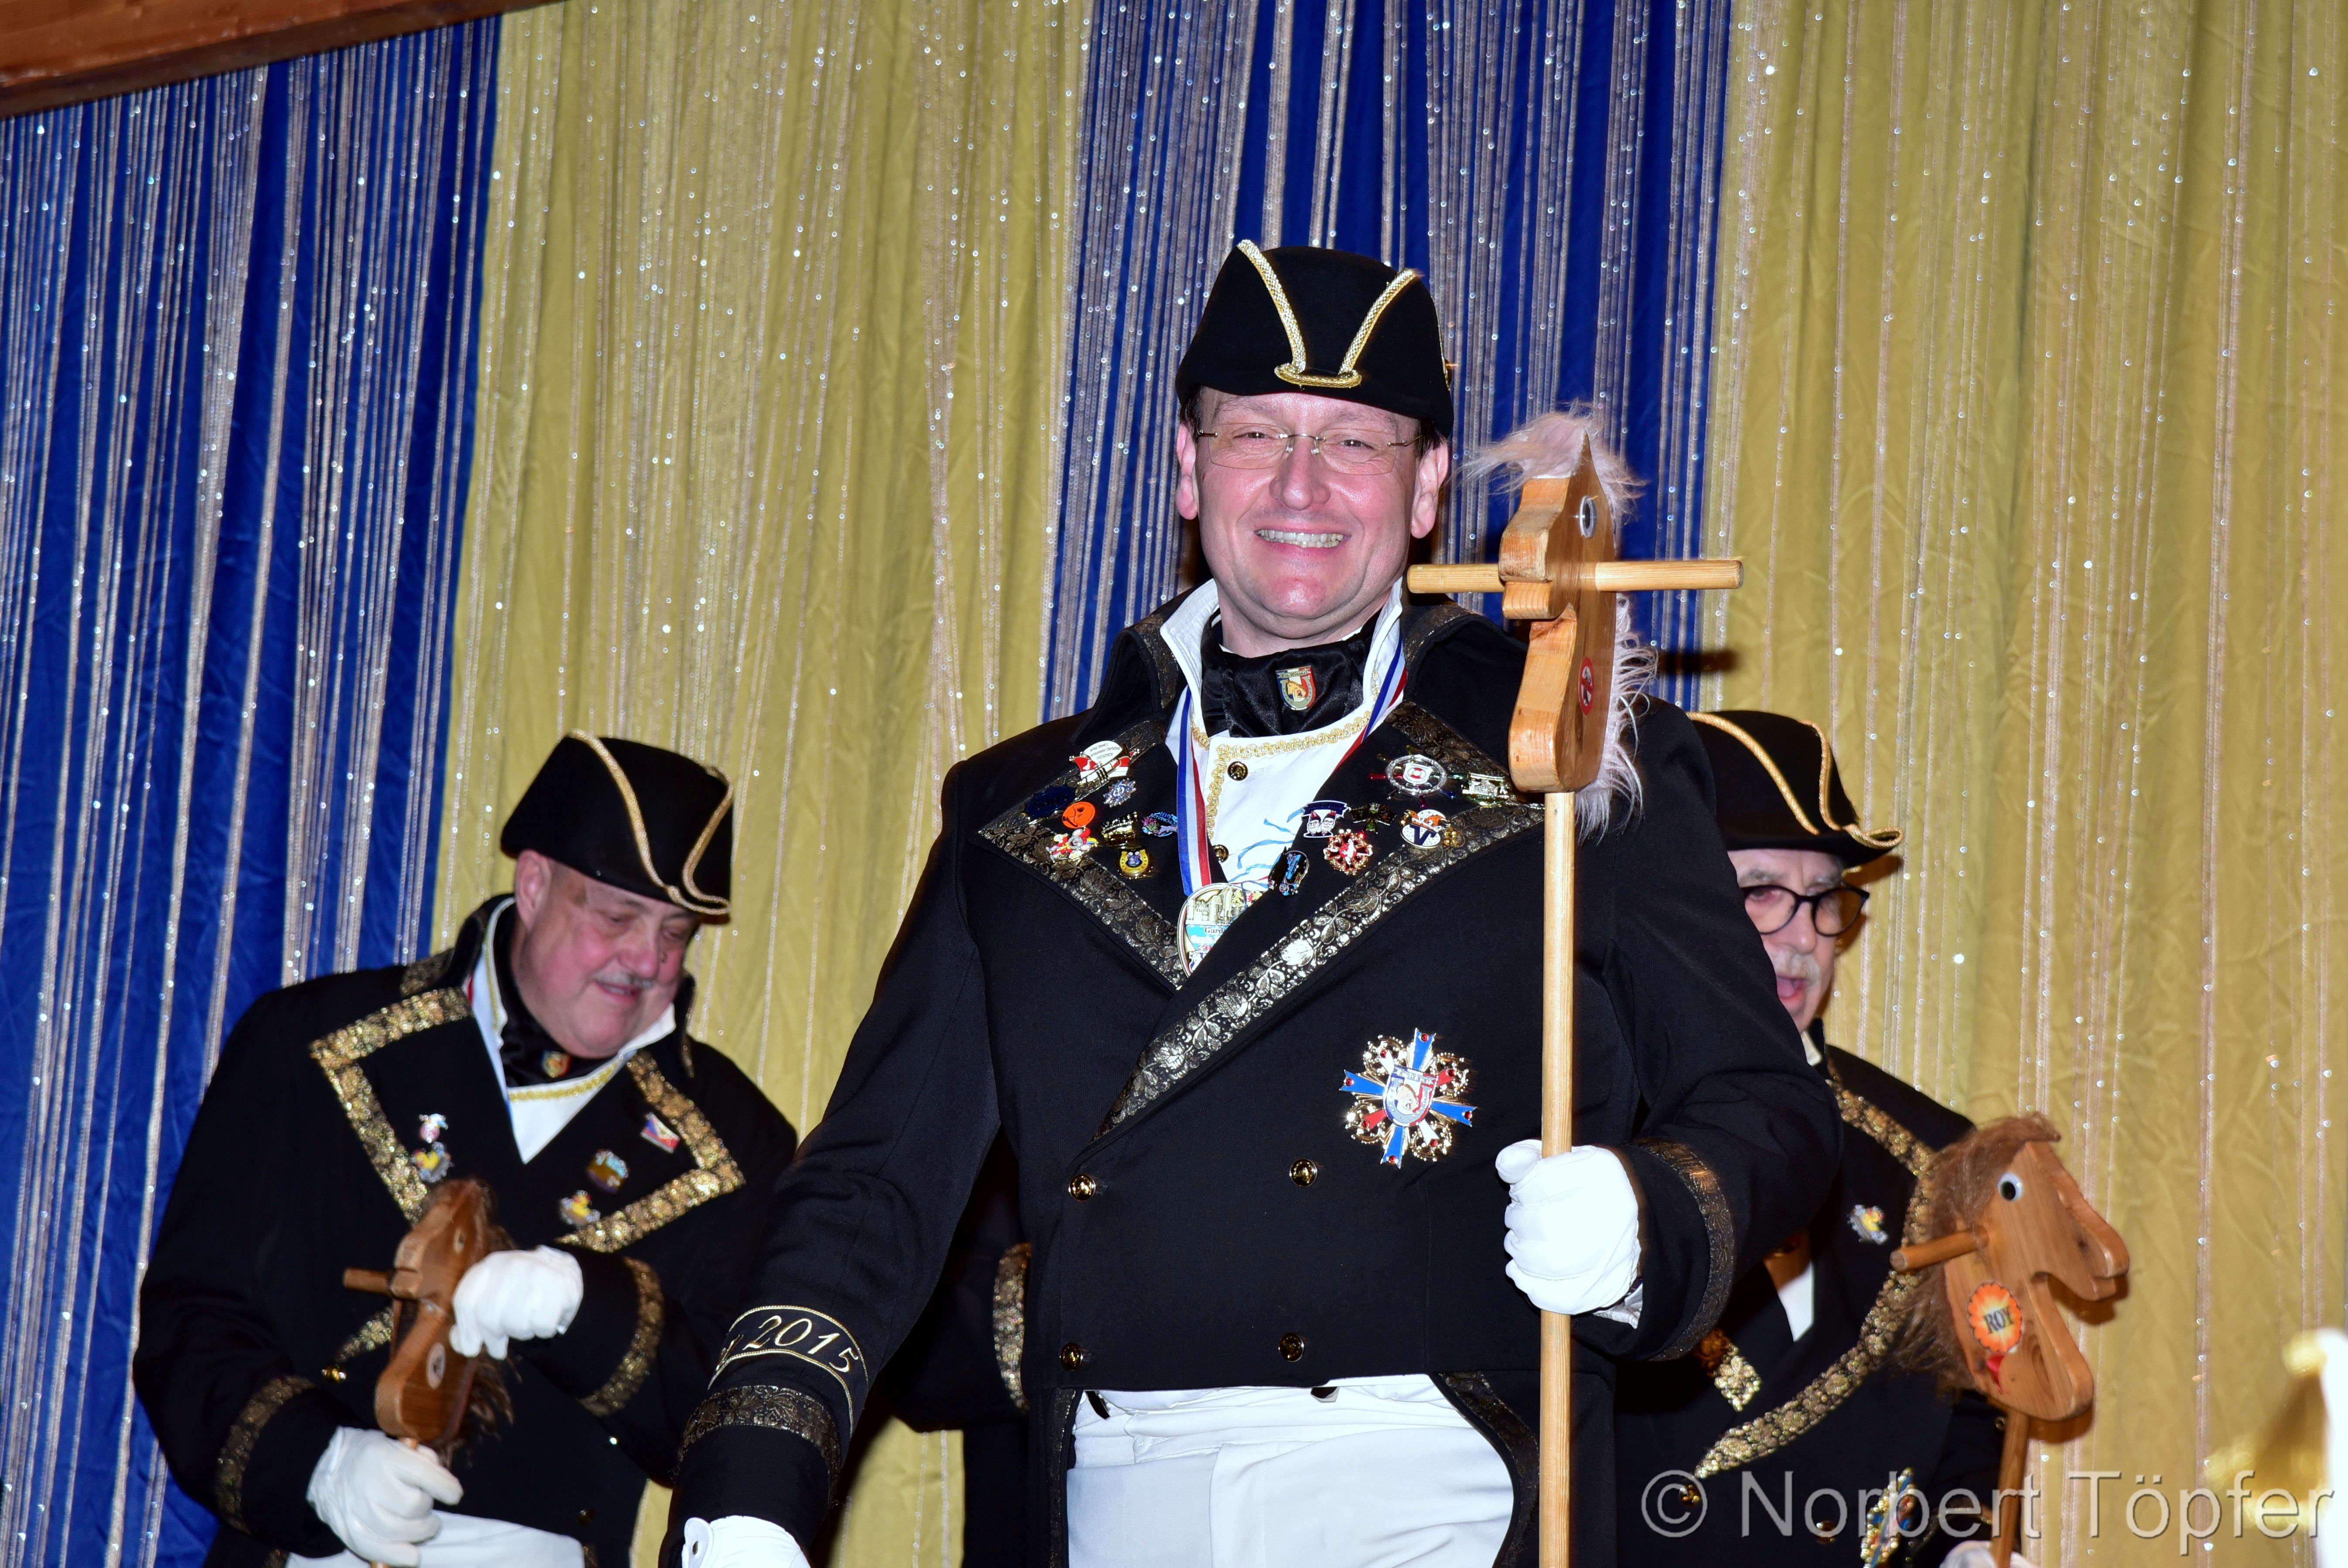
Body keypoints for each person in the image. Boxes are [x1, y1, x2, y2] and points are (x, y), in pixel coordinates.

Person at [669, 243, 1840, 1568]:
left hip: (1441, 1488)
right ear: (1187, 467)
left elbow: (1768, 1105)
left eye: (1354, 441)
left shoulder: (1572, 762)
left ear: (1427, 488)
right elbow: (872, 1183)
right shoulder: (1016, 805)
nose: (1300, 484)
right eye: (1256, 434)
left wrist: (1647, 1217)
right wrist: (753, 1478)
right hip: (1112, 1496)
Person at [137, 736, 797, 1568]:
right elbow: (192, 1321)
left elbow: (739, 1419)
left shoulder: (734, 1142)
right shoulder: (308, 1045)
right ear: (534, 885)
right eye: (616, 918)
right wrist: (317, 1466)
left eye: (676, 932)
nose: (647, 960)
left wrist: (591, 1309)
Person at [1613, 710, 2004, 1565]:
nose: (1802, 939)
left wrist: (1960, 1546)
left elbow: (1970, 1407)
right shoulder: (1584, 1143)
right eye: (1759, 893)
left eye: (1825, 899)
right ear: (1670, 908)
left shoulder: (1933, 1156)